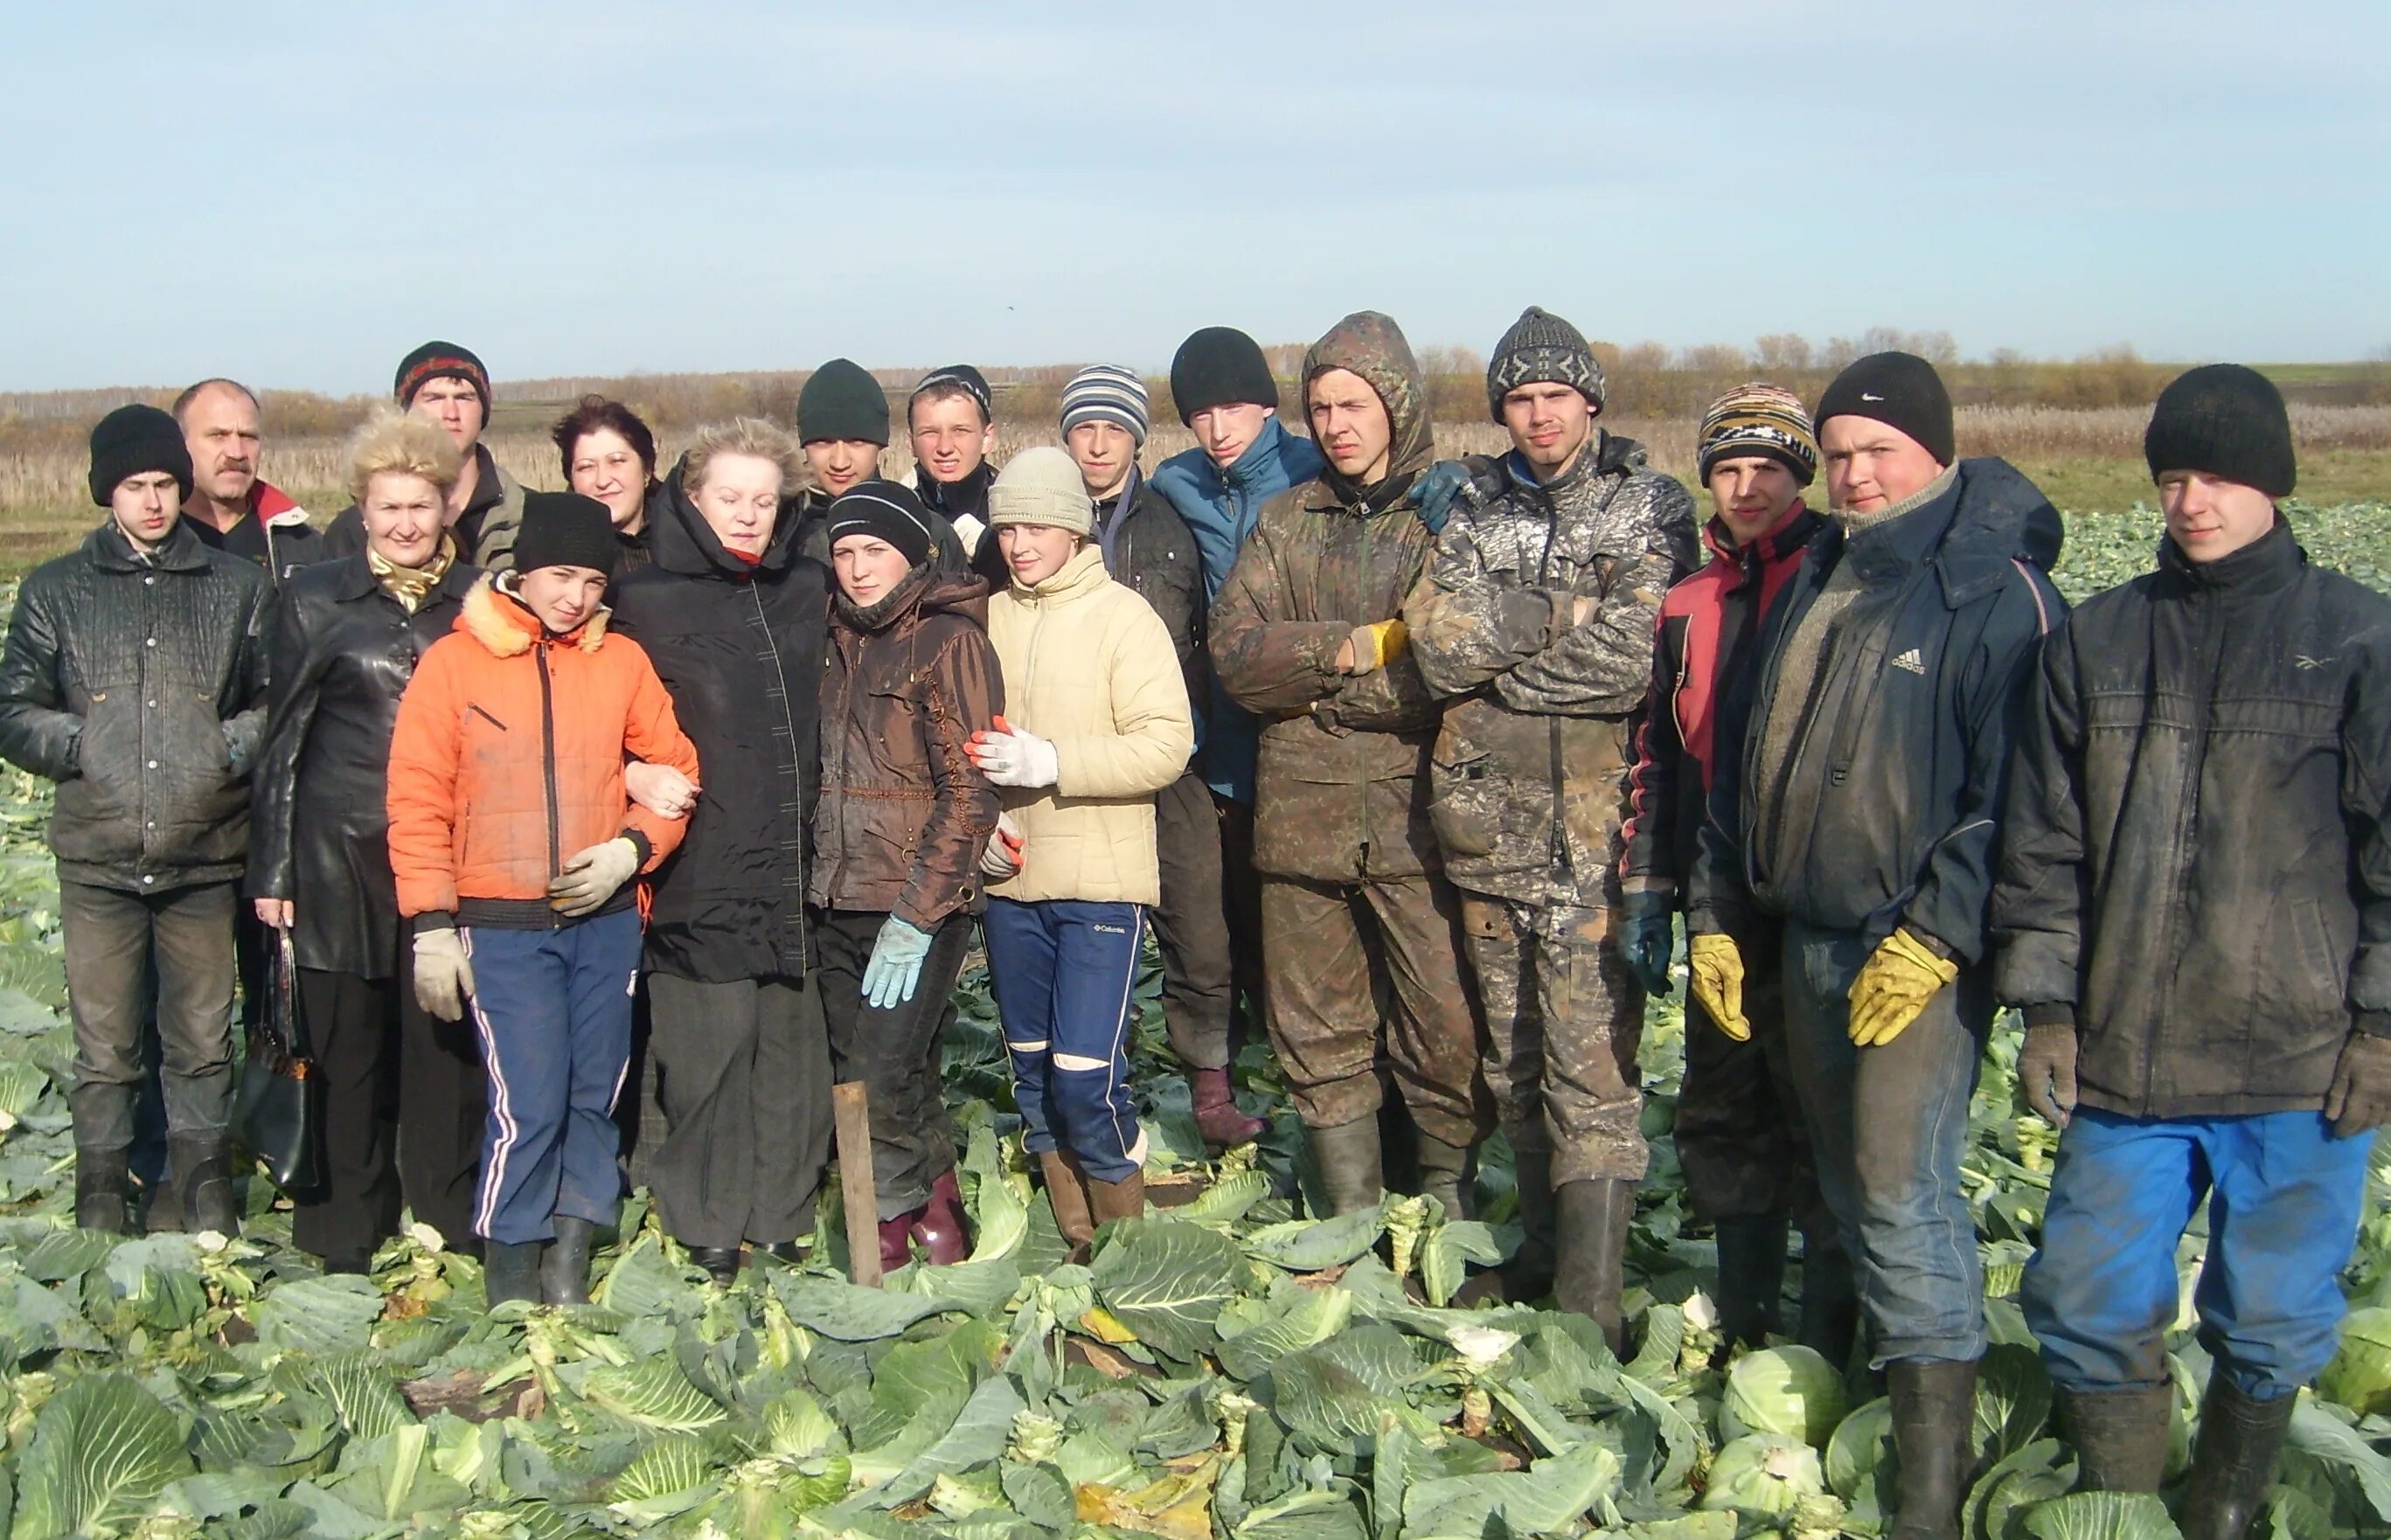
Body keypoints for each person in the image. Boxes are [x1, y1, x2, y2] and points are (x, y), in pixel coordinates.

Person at [1997, 365, 2391, 1528]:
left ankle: (2222, 1505)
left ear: (2270, 482)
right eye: (2170, 477)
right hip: (2126, 1056)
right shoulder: (2099, 640)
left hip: (2294, 1054)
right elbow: (2040, 842)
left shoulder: (2356, 640)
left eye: (2215, 475)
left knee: (2270, 1314)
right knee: (2079, 1290)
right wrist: (2045, 1003)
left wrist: (2378, 1019)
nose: (2189, 500)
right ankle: (2123, 1506)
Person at [1686, 353, 2064, 1536]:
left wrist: (1939, 928)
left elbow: (2022, 794)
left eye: (1876, 452)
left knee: (1902, 1194)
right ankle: (1854, 1397)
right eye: (1838, 452)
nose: (1852, 473)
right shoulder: (1824, 578)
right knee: (1840, 1185)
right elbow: (1742, 765)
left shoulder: (1991, 594)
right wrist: (1716, 915)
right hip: (1801, 937)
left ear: (1933, 453)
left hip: (1914, 958)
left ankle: (1928, 1488)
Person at [1405, 307, 1696, 1342]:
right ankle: (1536, 1255)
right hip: (1485, 831)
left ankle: (1593, 1300)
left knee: (1592, 1069)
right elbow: (1435, 649)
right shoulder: (1472, 509)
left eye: (1554, 397)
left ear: (1590, 402)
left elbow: (1633, 657)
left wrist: (1503, 668)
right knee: (1510, 1061)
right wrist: (1558, 620)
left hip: (1594, 846)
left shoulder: (1646, 505)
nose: (1536, 416)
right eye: (1518, 400)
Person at [386, 493, 700, 1305]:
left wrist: (630, 850)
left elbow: (675, 774)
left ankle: (573, 1246)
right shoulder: (453, 665)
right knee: (527, 1097)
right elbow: (417, 798)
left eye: (595, 580)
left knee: (595, 1090)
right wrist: (431, 926)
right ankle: (512, 1264)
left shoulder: (620, 662)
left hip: (602, 924)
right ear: (522, 571)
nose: (576, 596)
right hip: (501, 923)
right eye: (562, 575)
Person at [1210, 311, 1486, 1221]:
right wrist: (1347, 649)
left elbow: (1442, 673)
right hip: (1299, 832)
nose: (1334, 423)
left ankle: (1443, 1216)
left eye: (1353, 403)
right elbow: (1237, 659)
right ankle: (1350, 1222)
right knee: (1317, 1031)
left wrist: (1320, 697)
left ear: (1396, 407)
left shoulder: (1444, 520)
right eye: (1320, 405)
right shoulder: (1285, 524)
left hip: (1418, 828)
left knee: (1441, 1026)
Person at [1615, 385, 1849, 1361]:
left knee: (1825, 1116)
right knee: (1723, 1103)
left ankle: (1834, 1331)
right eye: (1726, 469)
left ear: (1800, 473)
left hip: (1823, 892)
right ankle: (1749, 1319)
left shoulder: (1839, 580)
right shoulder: (1687, 601)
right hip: (1720, 894)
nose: (1746, 487)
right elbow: (1661, 759)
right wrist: (1649, 890)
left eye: (1767, 468)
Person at [0, 405, 271, 1235]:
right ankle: (101, 1190)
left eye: (163, 484)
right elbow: (13, 708)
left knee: (199, 1036)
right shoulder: (58, 589)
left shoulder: (235, 589)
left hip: (203, 852)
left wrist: (220, 750)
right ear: (105, 493)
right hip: (99, 856)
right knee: (107, 1044)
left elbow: (273, 702)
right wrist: (87, 742)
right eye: (134, 486)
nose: (152, 502)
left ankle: (198, 1187)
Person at [249, 414, 484, 1267]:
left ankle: (445, 1218)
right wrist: (272, 870)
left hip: (444, 861)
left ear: (445, 505)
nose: (406, 524)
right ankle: (343, 1232)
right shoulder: (314, 598)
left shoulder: (478, 606)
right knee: (346, 1052)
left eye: (420, 506)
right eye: (388, 506)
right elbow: (281, 744)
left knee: (444, 1052)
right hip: (335, 855)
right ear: (362, 506)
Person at [610, 420, 833, 1285]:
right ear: (693, 496)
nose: (746, 516)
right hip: (698, 865)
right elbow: (595, 707)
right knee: (707, 1057)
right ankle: (706, 1222)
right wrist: (629, 767)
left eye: (763, 501)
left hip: (794, 861)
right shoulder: (647, 597)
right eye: (729, 498)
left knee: (790, 1060)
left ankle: (779, 1217)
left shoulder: (805, 585)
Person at [969, 448, 1193, 1259]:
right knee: (1030, 1076)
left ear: (1074, 527)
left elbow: (1167, 745)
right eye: (1007, 527)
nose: (1020, 542)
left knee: (1084, 1077)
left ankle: (1127, 1251)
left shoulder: (1122, 619)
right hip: (1010, 882)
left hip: (1099, 883)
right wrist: (979, 829)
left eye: (1037, 525)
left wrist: (1052, 762)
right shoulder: (985, 618)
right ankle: (1077, 1246)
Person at [1060, 365, 1262, 1151]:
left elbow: (1212, 632)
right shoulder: (1043, 522)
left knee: (1197, 928)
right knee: (1085, 931)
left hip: (1171, 759)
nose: (1099, 444)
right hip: (1072, 763)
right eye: (1084, 428)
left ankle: (1210, 1087)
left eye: (1115, 428)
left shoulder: (1173, 518)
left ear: (1139, 438)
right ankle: (1091, 1087)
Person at [814, 480, 1002, 1270]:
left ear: (912, 557)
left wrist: (920, 912)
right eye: (845, 553)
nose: (858, 569)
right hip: (834, 893)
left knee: (873, 1080)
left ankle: (881, 1231)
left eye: (875, 552)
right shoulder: (832, 636)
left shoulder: (948, 642)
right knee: (905, 1067)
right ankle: (939, 1210)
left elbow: (969, 794)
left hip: (914, 901)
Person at [1150, 327, 1324, 1137]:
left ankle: (1319, 1097)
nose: (1218, 427)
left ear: (1266, 404)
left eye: (1232, 407)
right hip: (1213, 747)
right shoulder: (1176, 484)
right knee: (1212, 932)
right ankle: (1222, 1090)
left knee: (1298, 938)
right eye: (1199, 413)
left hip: (1306, 740)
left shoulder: (1311, 468)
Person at [321, 343, 526, 570]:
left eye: (464, 398)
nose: (451, 414)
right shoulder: (351, 530)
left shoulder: (526, 516)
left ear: (483, 410)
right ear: (406, 410)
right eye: (434, 398)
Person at [794, 359, 967, 570]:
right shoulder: (777, 534)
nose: (840, 462)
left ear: (880, 444)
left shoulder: (926, 531)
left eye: (857, 442)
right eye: (824, 442)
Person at [176, 378, 318, 580]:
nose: (236, 453)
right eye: (218, 436)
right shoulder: (140, 545)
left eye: (248, 436)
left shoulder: (303, 547)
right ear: (181, 444)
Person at [908, 364, 1009, 586]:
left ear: (987, 438)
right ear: (911, 442)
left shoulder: (1016, 516)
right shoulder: (895, 516)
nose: (945, 447)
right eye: (930, 432)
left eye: (960, 431)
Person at [553, 395, 659, 576]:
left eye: (617, 462)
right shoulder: (555, 554)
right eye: (586, 467)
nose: (603, 481)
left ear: (647, 469)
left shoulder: (689, 537)